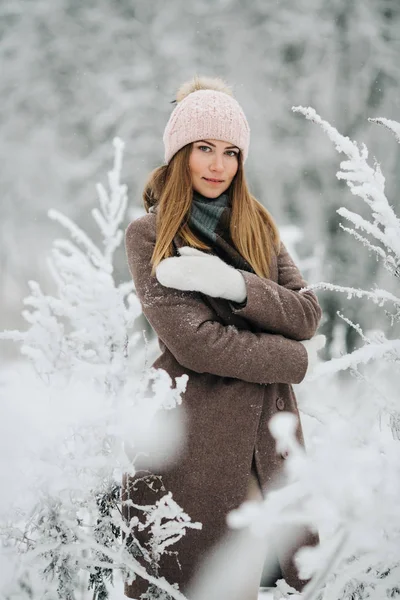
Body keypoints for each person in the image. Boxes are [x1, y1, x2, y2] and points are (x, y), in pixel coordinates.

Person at [122, 75, 325, 600]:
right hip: (196, 447)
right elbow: (196, 344)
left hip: (269, 442)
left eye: (231, 152)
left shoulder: (259, 226)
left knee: (275, 580)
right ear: (179, 153)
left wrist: (235, 285)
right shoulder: (150, 235)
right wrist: (291, 360)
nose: (218, 165)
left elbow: (306, 315)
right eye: (204, 149)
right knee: (209, 585)